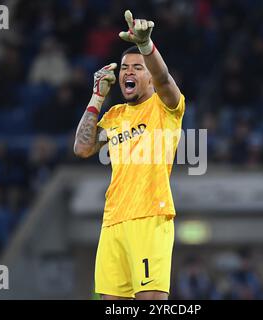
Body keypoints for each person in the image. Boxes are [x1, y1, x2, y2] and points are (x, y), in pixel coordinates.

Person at [74, 10, 185, 300]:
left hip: (149, 216)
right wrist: (97, 97)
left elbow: (164, 79)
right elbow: (82, 148)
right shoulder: (114, 115)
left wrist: (147, 46)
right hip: (112, 221)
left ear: (149, 77)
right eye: (125, 68)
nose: (129, 73)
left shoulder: (165, 106)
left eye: (138, 67)